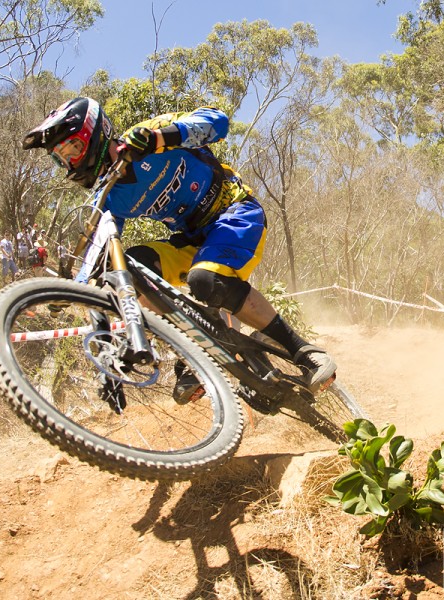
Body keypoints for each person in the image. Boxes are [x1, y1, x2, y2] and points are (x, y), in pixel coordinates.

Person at [22, 97, 337, 397]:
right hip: (191, 241)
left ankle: (305, 353)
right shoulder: (108, 197)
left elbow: (218, 122)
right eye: (61, 158)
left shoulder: (145, 137)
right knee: (129, 268)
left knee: (206, 280)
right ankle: (198, 352)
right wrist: (79, 302)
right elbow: (100, 258)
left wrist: (162, 138)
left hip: (234, 213)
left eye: (72, 149)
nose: (69, 163)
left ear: (95, 134)